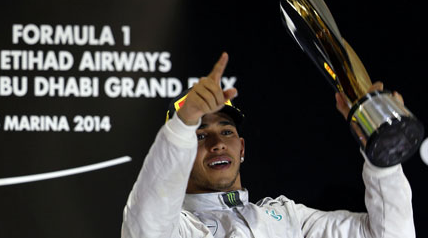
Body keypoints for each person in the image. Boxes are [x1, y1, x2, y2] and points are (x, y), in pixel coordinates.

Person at [121, 52, 415, 238]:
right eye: (200, 135)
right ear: (181, 155)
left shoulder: (288, 219)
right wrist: (183, 125)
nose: (217, 144)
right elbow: (149, 215)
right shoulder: (178, 229)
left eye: (226, 132)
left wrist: (383, 155)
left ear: (243, 148)